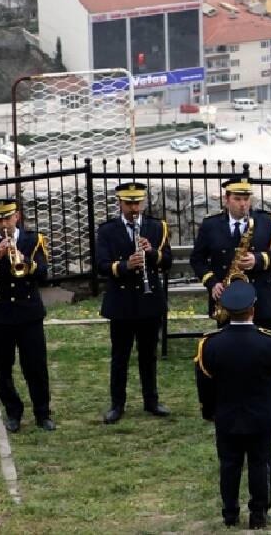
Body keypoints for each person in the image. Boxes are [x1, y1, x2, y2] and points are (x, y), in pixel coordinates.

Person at [195, 281, 271, 530]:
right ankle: (258, 514)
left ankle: (229, 515)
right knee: (260, 463)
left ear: (226, 310)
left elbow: (204, 383)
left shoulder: (210, 344)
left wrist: (210, 412)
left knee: (229, 465)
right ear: (253, 309)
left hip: (226, 416)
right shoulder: (269, 342)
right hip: (262, 417)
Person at [0, 198, 54, 432]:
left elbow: (44, 275)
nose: (3, 223)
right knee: (3, 368)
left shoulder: (33, 240)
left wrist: (24, 261)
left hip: (29, 314)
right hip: (0, 315)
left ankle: (42, 413)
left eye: (7, 217)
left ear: (17, 216)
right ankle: (13, 412)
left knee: (35, 367)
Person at [95, 181, 172, 424]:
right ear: (120, 203)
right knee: (120, 356)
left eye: (137, 202)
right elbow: (101, 265)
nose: (133, 207)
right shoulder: (107, 230)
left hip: (149, 302)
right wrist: (125, 266)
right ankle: (117, 404)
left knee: (148, 355)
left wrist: (151, 253)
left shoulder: (156, 227)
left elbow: (166, 261)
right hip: (122, 302)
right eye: (128, 203)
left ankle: (151, 401)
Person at [191, 177, 271, 331]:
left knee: (265, 350)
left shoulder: (268, 221)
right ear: (226, 199)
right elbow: (197, 259)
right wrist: (212, 283)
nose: (243, 204)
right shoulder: (210, 225)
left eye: (246, 198)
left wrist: (257, 259)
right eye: (237, 199)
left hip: (260, 298)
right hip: (226, 298)